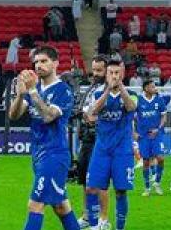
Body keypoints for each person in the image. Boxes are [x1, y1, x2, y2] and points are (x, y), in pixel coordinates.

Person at [8, 46, 80, 230]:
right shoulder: (36, 88)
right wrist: (20, 94)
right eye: (36, 62)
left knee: (35, 205)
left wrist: (32, 91)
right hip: (38, 154)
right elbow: (13, 115)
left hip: (55, 155)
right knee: (61, 206)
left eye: (43, 61)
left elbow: (48, 116)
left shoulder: (63, 91)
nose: (38, 65)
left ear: (55, 63)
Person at [84, 57, 136, 230]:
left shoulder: (131, 94)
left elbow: (130, 107)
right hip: (102, 149)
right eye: (111, 73)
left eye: (117, 73)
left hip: (122, 150)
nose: (114, 76)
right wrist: (107, 90)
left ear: (122, 75)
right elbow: (93, 112)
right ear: (106, 75)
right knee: (91, 188)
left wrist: (120, 87)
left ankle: (120, 227)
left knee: (121, 190)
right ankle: (96, 224)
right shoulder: (97, 93)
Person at [75, 56, 111, 230]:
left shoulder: (110, 89)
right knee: (84, 179)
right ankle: (88, 215)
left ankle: (104, 219)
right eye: (94, 70)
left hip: (101, 139)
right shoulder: (91, 88)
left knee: (100, 180)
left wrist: (92, 117)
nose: (95, 73)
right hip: (87, 138)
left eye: (99, 70)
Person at [135, 80, 169, 197]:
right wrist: (134, 132)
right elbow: (131, 117)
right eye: (152, 86)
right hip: (143, 135)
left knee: (160, 158)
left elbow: (164, 115)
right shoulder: (138, 100)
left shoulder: (159, 100)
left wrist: (158, 128)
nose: (155, 88)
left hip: (157, 134)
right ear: (145, 88)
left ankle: (157, 182)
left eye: (154, 86)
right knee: (145, 161)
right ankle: (147, 188)